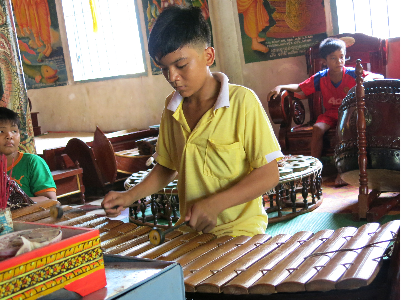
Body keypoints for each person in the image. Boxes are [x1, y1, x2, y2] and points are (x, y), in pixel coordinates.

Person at [102, 5, 283, 237]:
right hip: (192, 232)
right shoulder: (172, 109)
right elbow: (167, 167)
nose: (172, 77)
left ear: (208, 56)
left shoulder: (243, 102)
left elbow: (269, 173)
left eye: (181, 65)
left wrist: (216, 204)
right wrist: (129, 196)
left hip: (241, 232)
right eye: (164, 69)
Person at [267, 37, 384, 185]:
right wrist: (280, 87)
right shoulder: (321, 77)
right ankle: (315, 169)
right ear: (324, 61)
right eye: (333, 58)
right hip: (330, 114)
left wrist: (366, 80)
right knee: (317, 128)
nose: (339, 61)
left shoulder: (353, 73)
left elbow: (379, 77)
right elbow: (300, 88)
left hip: (348, 113)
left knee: (342, 131)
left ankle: (343, 171)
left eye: (341, 57)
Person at [0, 107, 57, 202]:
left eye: (14, 131)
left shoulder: (32, 163)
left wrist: (16, 201)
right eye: (1, 131)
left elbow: (50, 200)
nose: (9, 136)